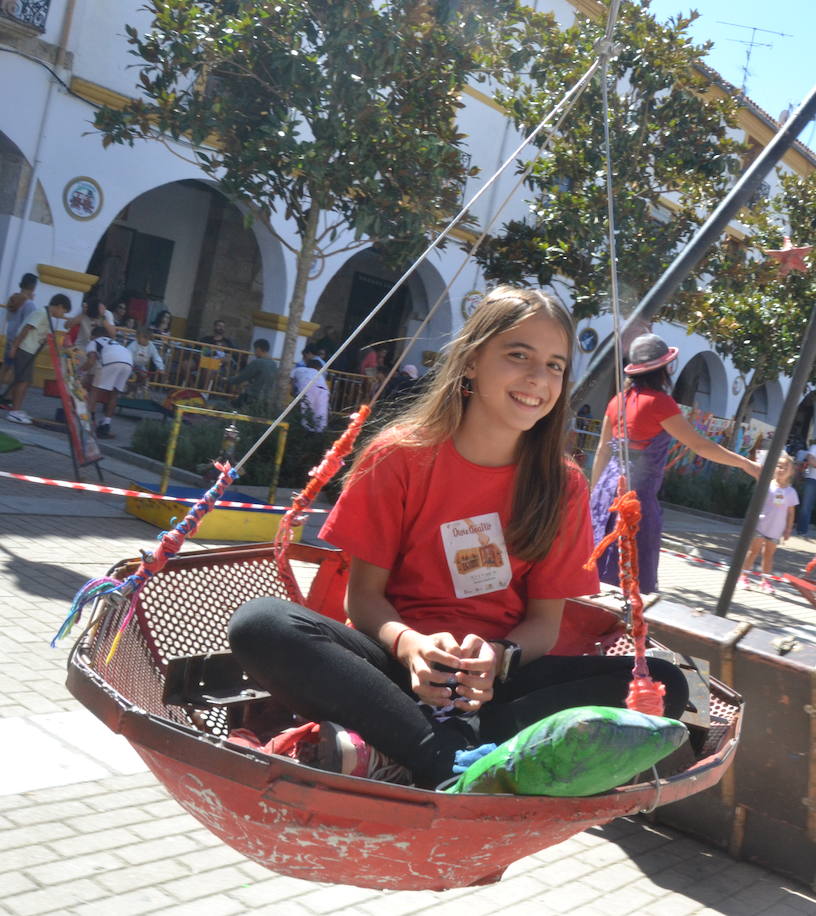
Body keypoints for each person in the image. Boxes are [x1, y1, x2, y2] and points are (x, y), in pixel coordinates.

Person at [228, 286, 688, 789]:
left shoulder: (563, 484)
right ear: (470, 361)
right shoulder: (398, 455)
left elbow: (544, 624)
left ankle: (414, 754)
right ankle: (454, 761)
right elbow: (363, 600)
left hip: (498, 682)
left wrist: (499, 658)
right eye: (518, 355)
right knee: (260, 623)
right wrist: (412, 647)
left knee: (664, 684)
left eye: (555, 365)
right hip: (390, 672)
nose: (538, 378)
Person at [590, 333, 760, 595]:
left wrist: (594, 497)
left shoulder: (617, 401)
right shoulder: (660, 403)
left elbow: (602, 450)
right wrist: (745, 464)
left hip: (605, 492)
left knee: (598, 562)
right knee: (631, 574)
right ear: (664, 368)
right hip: (635, 498)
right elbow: (700, 445)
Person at [3, 294, 69, 424]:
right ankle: (14, 411)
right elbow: (27, 328)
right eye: (63, 311)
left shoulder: (47, 316)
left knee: (26, 382)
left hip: (30, 351)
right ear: (59, 306)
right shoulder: (42, 313)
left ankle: (16, 409)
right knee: (22, 381)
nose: (62, 315)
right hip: (25, 349)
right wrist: (14, 347)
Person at [742, 454, 798, 595]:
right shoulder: (767, 485)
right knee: (753, 551)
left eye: (785, 467)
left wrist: (788, 529)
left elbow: (791, 512)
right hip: (760, 525)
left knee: (768, 555)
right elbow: (756, 503)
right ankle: (743, 576)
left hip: (775, 530)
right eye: (779, 466)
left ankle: (765, 581)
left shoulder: (791, 492)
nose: (781, 469)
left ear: (791, 472)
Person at [82, 333, 135, 438]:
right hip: (128, 363)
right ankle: (106, 424)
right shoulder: (114, 343)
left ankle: (89, 421)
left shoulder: (94, 341)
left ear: (93, 336)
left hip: (111, 361)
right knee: (114, 395)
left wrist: (80, 370)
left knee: (95, 390)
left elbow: (91, 361)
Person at [1, 272, 37, 400]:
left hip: (10, 336)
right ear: (33, 287)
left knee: (5, 367)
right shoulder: (29, 304)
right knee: (16, 370)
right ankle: (8, 396)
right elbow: (29, 324)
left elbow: (9, 317)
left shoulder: (13, 299)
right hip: (20, 341)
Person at [228, 339, 278, 407]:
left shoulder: (257, 362)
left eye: (255, 350)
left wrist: (229, 379)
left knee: (229, 406)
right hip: (267, 398)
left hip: (253, 396)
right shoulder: (274, 364)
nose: (254, 353)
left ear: (258, 349)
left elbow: (242, 377)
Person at [290, 356, 331, 432]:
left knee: (306, 408)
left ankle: (306, 430)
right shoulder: (319, 374)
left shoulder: (298, 369)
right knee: (321, 411)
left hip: (308, 388)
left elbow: (291, 380)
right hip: (323, 390)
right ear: (318, 368)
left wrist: (292, 391)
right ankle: (320, 431)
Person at [127, 325, 166, 396]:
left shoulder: (151, 346)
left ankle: (142, 393)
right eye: (139, 337)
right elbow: (127, 355)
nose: (143, 340)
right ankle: (127, 391)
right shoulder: (133, 345)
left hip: (141, 366)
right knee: (129, 377)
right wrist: (130, 366)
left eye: (145, 338)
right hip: (130, 365)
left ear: (148, 338)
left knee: (144, 378)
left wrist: (161, 368)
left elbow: (156, 357)